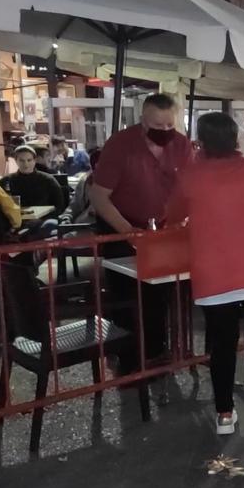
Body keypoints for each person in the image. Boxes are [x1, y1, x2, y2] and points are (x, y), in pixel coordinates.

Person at [166, 112, 244, 435]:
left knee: (220, 346)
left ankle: (224, 414)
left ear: (201, 139)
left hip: (213, 275)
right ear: (235, 138)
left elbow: (173, 214)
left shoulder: (190, 174)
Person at [90, 93, 194, 366]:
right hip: (120, 222)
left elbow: (188, 190)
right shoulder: (121, 144)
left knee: (160, 294)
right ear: (143, 121)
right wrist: (128, 231)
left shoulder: (182, 145)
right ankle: (127, 359)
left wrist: (182, 220)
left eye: (168, 126)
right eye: (156, 127)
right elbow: (99, 196)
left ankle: (157, 354)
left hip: (162, 227)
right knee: (126, 296)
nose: (163, 132)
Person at [60, 149, 100, 225]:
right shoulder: (85, 181)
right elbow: (74, 205)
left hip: (95, 228)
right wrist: (66, 217)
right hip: (78, 224)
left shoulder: (117, 185)